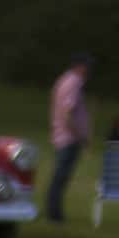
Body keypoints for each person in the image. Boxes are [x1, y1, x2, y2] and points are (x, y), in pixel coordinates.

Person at [47, 53, 92, 223]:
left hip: (62, 135)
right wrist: (80, 135)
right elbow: (68, 112)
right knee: (61, 176)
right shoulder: (74, 83)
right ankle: (55, 213)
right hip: (69, 138)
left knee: (60, 175)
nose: (89, 70)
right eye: (86, 65)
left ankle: (54, 211)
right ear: (79, 66)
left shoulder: (64, 80)